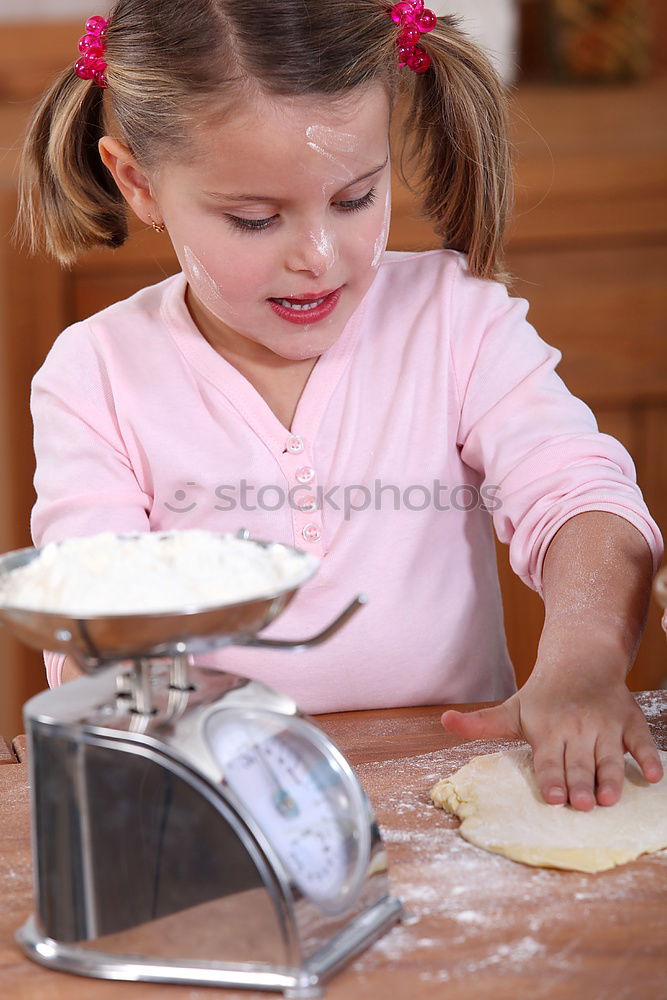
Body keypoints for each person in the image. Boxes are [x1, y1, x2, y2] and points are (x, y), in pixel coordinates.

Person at [16, 0, 664, 812]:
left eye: (355, 198)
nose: (317, 258)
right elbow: (95, 624)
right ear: (138, 182)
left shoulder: (453, 321)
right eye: (254, 219)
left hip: (447, 787)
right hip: (222, 801)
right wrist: (116, 694)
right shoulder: (97, 374)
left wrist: (581, 662)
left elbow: (580, 498)